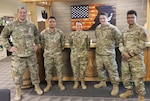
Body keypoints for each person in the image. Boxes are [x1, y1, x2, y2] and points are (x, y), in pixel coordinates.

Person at [1, 6, 43, 101]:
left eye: (24, 12)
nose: (22, 14)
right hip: (18, 55)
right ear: (18, 13)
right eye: (21, 12)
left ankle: (37, 86)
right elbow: (3, 36)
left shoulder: (31, 25)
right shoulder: (12, 25)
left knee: (34, 72)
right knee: (18, 74)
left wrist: (37, 44)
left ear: (26, 13)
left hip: (31, 54)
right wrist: (9, 47)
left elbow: (37, 34)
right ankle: (18, 91)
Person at [119, 10, 148, 101]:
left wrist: (130, 53)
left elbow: (142, 44)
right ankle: (129, 91)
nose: (130, 19)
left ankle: (141, 95)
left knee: (138, 78)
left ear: (136, 18)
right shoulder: (124, 30)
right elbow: (120, 43)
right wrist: (124, 52)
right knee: (125, 76)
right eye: (128, 17)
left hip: (136, 59)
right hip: (125, 59)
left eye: (132, 17)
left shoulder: (141, 29)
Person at [93, 12, 121, 96]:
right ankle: (103, 82)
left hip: (109, 54)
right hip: (99, 53)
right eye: (100, 19)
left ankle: (115, 86)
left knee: (112, 71)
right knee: (100, 69)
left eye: (103, 18)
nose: (102, 20)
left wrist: (110, 47)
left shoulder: (113, 29)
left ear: (108, 18)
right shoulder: (98, 28)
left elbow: (119, 40)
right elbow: (97, 38)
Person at [40, 16, 65, 92]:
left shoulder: (60, 33)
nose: (52, 23)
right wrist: (48, 51)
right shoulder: (43, 33)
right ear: (48, 22)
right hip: (48, 55)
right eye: (50, 21)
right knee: (48, 70)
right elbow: (42, 44)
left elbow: (62, 43)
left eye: (53, 21)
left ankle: (60, 83)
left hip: (58, 55)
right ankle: (49, 84)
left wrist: (58, 50)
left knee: (59, 70)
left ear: (55, 23)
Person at [69, 21, 90, 89]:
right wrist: (75, 50)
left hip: (83, 54)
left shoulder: (85, 34)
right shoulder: (71, 35)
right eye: (77, 25)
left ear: (82, 26)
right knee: (75, 69)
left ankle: (82, 82)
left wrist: (84, 51)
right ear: (75, 26)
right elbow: (70, 44)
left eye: (80, 25)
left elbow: (88, 44)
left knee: (83, 69)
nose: (78, 27)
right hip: (74, 55)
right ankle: (76, 82)